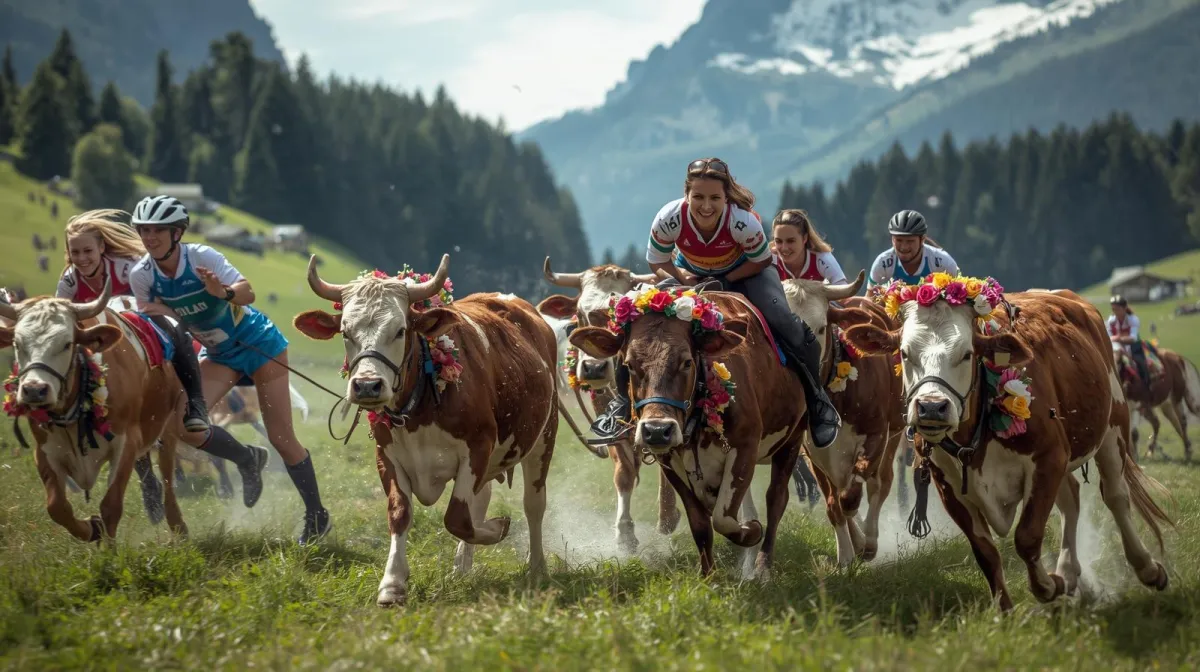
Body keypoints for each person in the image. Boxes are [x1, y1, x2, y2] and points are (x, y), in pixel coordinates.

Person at [590, 157, 842, 449]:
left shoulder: (742, 221)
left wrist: (725, 279)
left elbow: (761, 261)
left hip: (748, 273)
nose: (706, 206)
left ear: (726, 198)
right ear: (686, 195)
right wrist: (681, 277)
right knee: (637, 318)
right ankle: (622, 405)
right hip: (690, 275)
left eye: (715, 198)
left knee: (784, 321)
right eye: (698, 197)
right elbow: (657, 261)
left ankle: (817, 401)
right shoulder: (669, 218)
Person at [128, 195, 331, 545]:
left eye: (158, 230)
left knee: (282, 438)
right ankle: (247, 459)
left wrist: (221, 292)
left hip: (260, 343)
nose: (150, 237)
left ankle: (317, 516)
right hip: (219, 354)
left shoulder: (201, 257)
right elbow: (154, 316)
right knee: (184, 426)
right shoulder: (142, 275)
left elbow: (247, 293)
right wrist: (171, 314)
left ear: (177, 233)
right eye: (144, 230)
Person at [56, 209, 270, 515]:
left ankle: (198, 405)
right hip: (108, 349)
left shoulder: (128, 266)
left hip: (148, 332)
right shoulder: (68, 281)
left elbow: (159, 297)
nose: (82, 258)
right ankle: (141, 477)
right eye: (75, 252)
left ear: (102, 247)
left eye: (88, 251)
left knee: (176, 349)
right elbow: (62, 320)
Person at [867, 210, 959, 289]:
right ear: (892, 239)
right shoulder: (882, 263)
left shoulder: (944, 263)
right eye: (899, 240)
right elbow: (869, 299)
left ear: (922, 239)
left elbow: (961, 297)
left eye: (910, 241)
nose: (904, 247)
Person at [770, 209, 848, 283]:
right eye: (778, 241)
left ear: (804, 238)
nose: (784, 248)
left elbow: (842, 288)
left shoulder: (822, 259)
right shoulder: (769, 260)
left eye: (791, 241)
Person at [1108, 295, 1152, 387]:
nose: (1115, 312)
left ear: (1124, 308)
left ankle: (1147, 385)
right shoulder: (1111, 321)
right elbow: (1109, 336)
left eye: (1117, 309)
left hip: (1134, 347)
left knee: (1141, 363)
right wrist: (1116, 340)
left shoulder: (1133, 319)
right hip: (1117, 347)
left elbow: (1133, 338)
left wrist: (1118, 338)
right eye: (1113, 309)